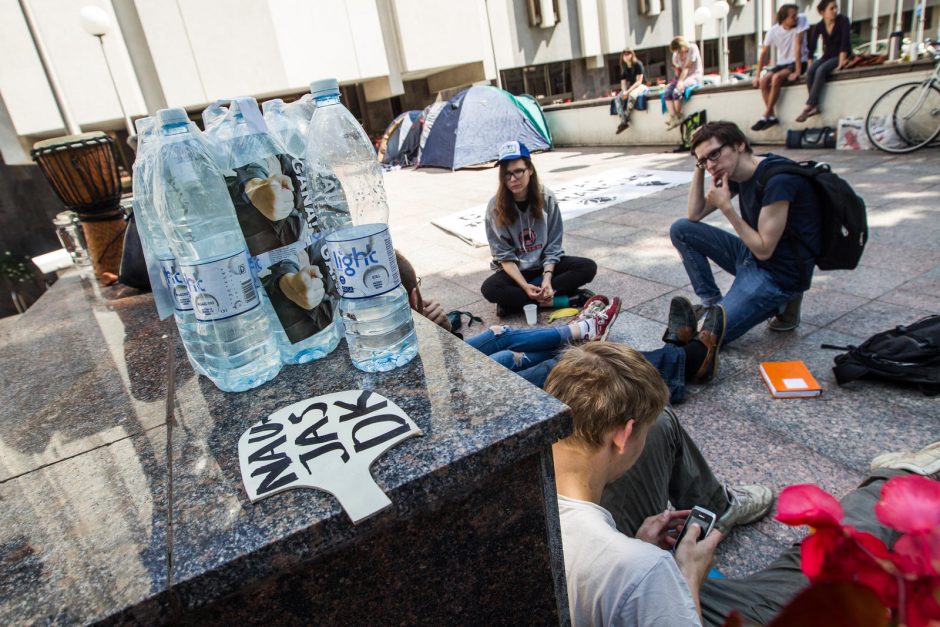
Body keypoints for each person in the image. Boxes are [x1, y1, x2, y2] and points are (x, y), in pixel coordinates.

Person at [549, 342, 940, 626]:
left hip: (610, 572)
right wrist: (686, 578)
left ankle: (721, 507)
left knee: (663, 420)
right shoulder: (642, 571)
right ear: (623, 436)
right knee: (805, 573)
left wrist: (637, 546)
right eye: (640, 434)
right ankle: (899, 478)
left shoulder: (527, 493)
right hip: (661, 596)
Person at [670, 120, 822, 345]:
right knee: (681, 229)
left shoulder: (778, 181)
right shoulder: (738, 171)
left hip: (776, 275)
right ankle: (711, 303)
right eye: (704, 160)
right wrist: (698, 165)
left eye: (714, 154)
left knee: (706, 340)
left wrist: (727, 208)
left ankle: (784, 302)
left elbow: (763, 250)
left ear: (739, 145)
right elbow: (694, 214)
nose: (711, 165)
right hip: (750, 255)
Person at [398, 250, 620, 387]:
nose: (514, 179)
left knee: (499, 332)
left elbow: (553, 249)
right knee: (507, 358)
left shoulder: (543, 203)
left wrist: (444, 330)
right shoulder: (498, 210)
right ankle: (580, 337)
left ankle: (579, 332)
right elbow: (441, 370)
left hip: (541, 272)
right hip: (442, 384)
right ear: (413, 296)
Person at [481, 141, 597, 318]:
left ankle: (515, 305)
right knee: (490, 289)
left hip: (545, 266)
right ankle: (559, 299)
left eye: (518, 171)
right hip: (517, 272)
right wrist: (525, 286)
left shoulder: (547, 197)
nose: (513, 179)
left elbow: (553, 245)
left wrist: (547, 277)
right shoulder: (494, 207)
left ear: (530, 170)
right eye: (507, 174)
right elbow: (504, 256)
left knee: (587, 267)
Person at [751, 4, 810, 131]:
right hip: (782, 62)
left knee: (776, 78)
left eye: (796, 15)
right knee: (764, 80)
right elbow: (763, 53)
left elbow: (798, 46)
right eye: (792, 16)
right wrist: (757, 76)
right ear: (783, 18)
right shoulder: (773, 31)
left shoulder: (801, 20)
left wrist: (798, 71)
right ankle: (771, 116)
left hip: (798, 61)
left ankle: (766, 114)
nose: (796, 18)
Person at [797, 0, 852, 123]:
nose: (834, 11)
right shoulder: (820, 26)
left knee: (821, 70)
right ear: (822, 12)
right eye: (831, 9)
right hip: (827, 55)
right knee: (811, 71)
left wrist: (841, 62)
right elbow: (811, 45)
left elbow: (845, 42)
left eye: (835, 8)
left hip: (841, 55)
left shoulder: (843, 21)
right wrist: (810, 61)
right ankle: (814, 105)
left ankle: (810, 105)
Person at [663, 36, 704, 131]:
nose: (677, 53)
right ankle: (672, 116)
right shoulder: (676, 55)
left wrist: (680, 82)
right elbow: (679, 70)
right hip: (682, 76)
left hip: (694, 75)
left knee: (676, 92)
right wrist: (677, 73)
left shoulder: (692, 48)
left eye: (677, 50)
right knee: (668, 91)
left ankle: (679, 115)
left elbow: (686, 67)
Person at [615, 48, 648, 134]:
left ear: (632, 55)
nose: (626, 56)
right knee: (617, 98)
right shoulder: (624, 67)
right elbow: (623, 83)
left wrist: (628, 92)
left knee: (632, 95)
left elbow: (639, 82)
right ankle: (623, 121)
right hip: (630, 87)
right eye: (624, 54)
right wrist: (624, 91)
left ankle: (626, 117)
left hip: (641, 86)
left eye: (628, 54)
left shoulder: (637, 64)